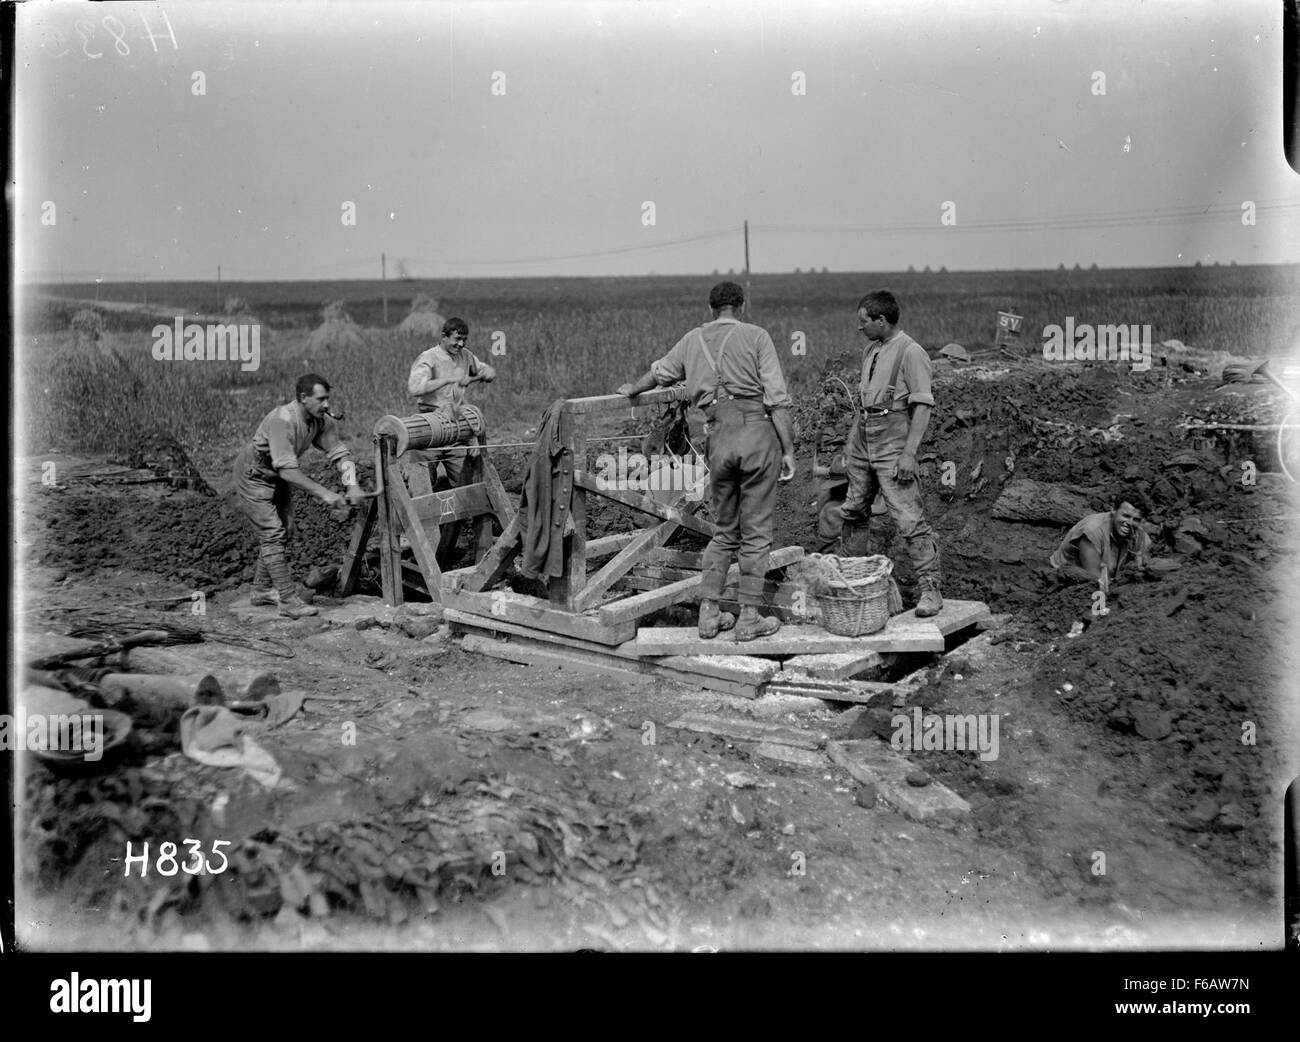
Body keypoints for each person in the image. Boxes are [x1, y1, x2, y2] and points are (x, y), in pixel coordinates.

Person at [616, 281, 795, 641]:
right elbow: (776, 400)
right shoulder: (757, 336)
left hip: (717, 438)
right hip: (756, 435)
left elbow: (659, 373)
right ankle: (748, 618)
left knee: (726, 531)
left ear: (710, 308)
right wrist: (789, 450)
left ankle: (709, 614)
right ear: (740, 306)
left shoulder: (691, 340)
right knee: (756, 533)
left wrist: (632, 389)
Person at [839, 289, 944, 617]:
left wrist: (908, 454)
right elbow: (866, 401)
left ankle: (930, 589)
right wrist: (852, 444)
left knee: (908, 517)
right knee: (854, 510)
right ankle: (853, 583)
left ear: (882, 321)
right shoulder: (871, 349)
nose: (860, 329)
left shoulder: (912, 353)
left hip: (893, 437)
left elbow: (923, 407)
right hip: (864, 434)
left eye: (864, 322)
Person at [233, 374, 365, 619]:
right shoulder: (282, 420)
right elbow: (288, 471)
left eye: (328, 399)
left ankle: (261, 590)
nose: (326, 405)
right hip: (253, 474)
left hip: (277, 474)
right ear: (303, 398)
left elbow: (340, 454)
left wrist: (352, 484)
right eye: (321, 399)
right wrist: (325, 493)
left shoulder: (320, 420)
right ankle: (289, 600)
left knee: (285, 528)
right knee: (272, 532)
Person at [407, 317, 496, 564]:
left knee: (469, 491)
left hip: (456, 430)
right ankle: (425, 558)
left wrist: (480, 375)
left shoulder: (466, 356)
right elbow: (415, 388)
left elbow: (489, 371)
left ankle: (473, 555)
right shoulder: (429, 358)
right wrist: (446, 380)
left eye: (464, 339)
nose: (461, 343)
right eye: (457, 339)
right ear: (443, 337)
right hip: (429, 429)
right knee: (422, 496)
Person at [1049, 490, 1153, 591]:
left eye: (1136, 519)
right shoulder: (1093, 530)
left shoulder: (1140, 536)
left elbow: (1147, 568)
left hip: (1109, 580)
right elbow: (1094, 578)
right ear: (1113, 510)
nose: (1130, 523)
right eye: (1126, 516)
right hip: (1063, 582)